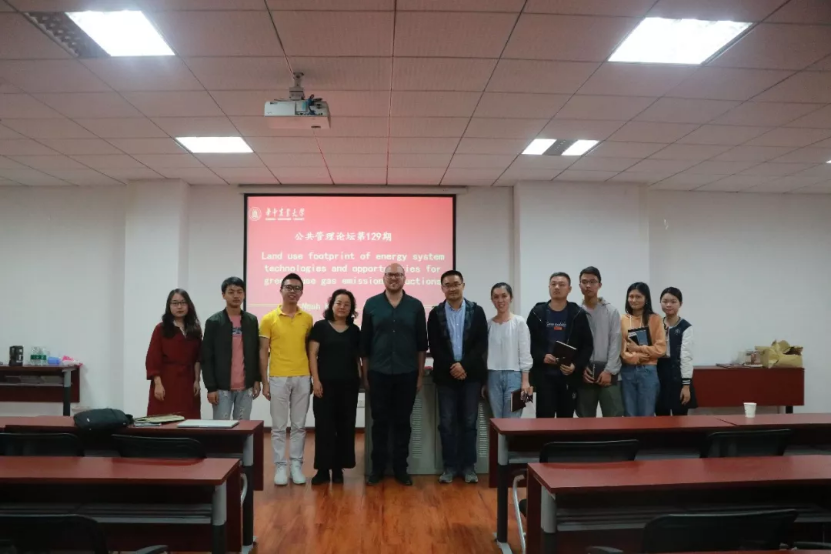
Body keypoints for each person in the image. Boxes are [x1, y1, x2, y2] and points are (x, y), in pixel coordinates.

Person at [361, 263, 428, 486]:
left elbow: (421, 345)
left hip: (407, 373)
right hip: (378, 372)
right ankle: (377, 468)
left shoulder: (415, 306)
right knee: (379, 422)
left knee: (402, 423)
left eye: (398, 275)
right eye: (390, 274)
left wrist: (420, 375)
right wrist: (366, 374)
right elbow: (365, 344)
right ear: (383, 278)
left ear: (404, 278)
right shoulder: (372, 304)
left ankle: (401, 468)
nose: (393, 278)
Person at [428, 270, 488, 484]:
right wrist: (453, 366)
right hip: (446, 377)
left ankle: (469, 467)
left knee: (469, 423)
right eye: (447, 285)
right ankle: (450, 467)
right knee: (446, 423)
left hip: (471, 376)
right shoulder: (435, 314)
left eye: (455, 284)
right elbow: (435, 345)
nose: (452, 288)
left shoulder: (476, 311)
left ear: (463, 285)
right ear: (442, 288)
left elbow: (481, 343)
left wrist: (464, 366)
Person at [259, 273, 314, 486]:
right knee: (279, 427)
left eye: (297, 288)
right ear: (281, 289)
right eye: (289, 287)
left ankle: (296, 465)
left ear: (302, 292)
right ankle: (280, 466)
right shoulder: (268, 319)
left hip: (302, 376)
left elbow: (310, 350)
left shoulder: (307, 319)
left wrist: (312, 377)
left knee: (299, 425)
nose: (293, 291)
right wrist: (264, 381)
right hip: (278, 377)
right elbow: (263, 352)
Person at [309, 289, 362, 485]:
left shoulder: (355, 331)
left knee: (345, 427)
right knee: (324, 427)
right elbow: (312, 354)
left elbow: (357, 359)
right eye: (339, 303)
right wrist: (316, 380)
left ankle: (338, 469)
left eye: (347, 304)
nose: (342, 307)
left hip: (349, 386)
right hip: (325, 386)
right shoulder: (320, 327)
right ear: (331, 305)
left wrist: (360, 380)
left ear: (351, 309)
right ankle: (323, 470)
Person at [527, 272, 593, 418]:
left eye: (562, 284)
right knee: (544, 421)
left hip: (568, 377)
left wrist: (575, 365)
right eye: (553, 284)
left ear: (569, 289)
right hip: (544, 376)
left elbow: (587, 345)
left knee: (566, 421)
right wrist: (542, 356)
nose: (557, 287)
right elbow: (528, 343)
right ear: (549, 287)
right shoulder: (537, 313)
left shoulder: (577, 314)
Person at [201, 277, 261, 420]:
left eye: (239, 292)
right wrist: (211, 388)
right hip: (221, 388)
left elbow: (255, 353)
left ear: (244, 294)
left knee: (243, 428)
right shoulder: (214, 322)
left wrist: (256, 380)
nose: (236, 295)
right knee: (221, 429)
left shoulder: (251, 321)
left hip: (246, 387)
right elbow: (206, 357)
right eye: (231, 292)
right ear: (223, 295)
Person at [145, 289, 202, 419]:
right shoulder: (161, 329)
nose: (179, 307)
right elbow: (153, 358)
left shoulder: (194, 329)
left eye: (183, 302)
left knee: (188, 419)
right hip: (167, 381)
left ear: (188, 305)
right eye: (175, 303)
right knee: (164, 419)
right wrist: (158, 384)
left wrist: (197, 380)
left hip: (188, 381)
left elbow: (198, 358)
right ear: (169, 306)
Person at [575, 267, 624, 418]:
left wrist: (609, 370)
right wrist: (581, 368)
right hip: (585, 373)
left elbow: (616, 343)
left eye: (592, 282)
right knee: (585, 420)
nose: (588, 285)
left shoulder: (611, 311)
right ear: (579, 285)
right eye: (584, 282)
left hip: (609, 373)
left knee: (614, 418)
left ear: (599, 285)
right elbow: (574, 345)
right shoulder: (575, 312)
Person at [486, 282, 533, 419]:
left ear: (511, 298)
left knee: (513, 421)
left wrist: (525, 381)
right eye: (496, 297)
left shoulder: (519, 322)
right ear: (492, 300)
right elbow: (484, 354)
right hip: (493, 377)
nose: (500, 300)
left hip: (515, 377)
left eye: (504, 296)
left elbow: (525, 353)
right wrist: (484, 381)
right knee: (496, 419)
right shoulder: (488, 324)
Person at [620, 282, 667, 417]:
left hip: (648, 370)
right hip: (627, 370)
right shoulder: (622, 319)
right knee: (629, 413)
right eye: (631, 296)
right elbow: (621, 349)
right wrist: (637, 357)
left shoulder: (655, 319)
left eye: (638, 297)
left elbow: (661, 349)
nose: (634, 300)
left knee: (647, 413)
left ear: (646, 298)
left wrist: (638, 348)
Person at [656, 287, 697, 416]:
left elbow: (686, 357)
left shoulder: (686, 327)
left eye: (673, 301)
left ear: (680, 303)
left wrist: (686, 386)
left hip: (678, 374)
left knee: (680, 417)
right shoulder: (656, 324)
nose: (668, 305)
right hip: (659, 374)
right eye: (665, 301)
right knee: (661, 416)